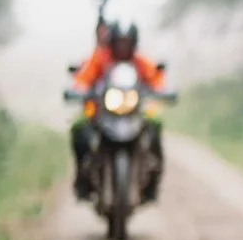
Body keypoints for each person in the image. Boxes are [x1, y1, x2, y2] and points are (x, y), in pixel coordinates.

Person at [69, 21, 169, 202]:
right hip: (102, 112)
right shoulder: (101, 58)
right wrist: (79, 90)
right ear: (112, 43)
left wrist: (161, 90)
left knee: (155, 124)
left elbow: (155, 78)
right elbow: (84, 78)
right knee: (79, 127)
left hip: (134, 112)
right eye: (119, 42)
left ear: (133, 43)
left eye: (126, 42)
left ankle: (152, 180)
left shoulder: (139, 60)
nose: (123, 47)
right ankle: (82, 178)